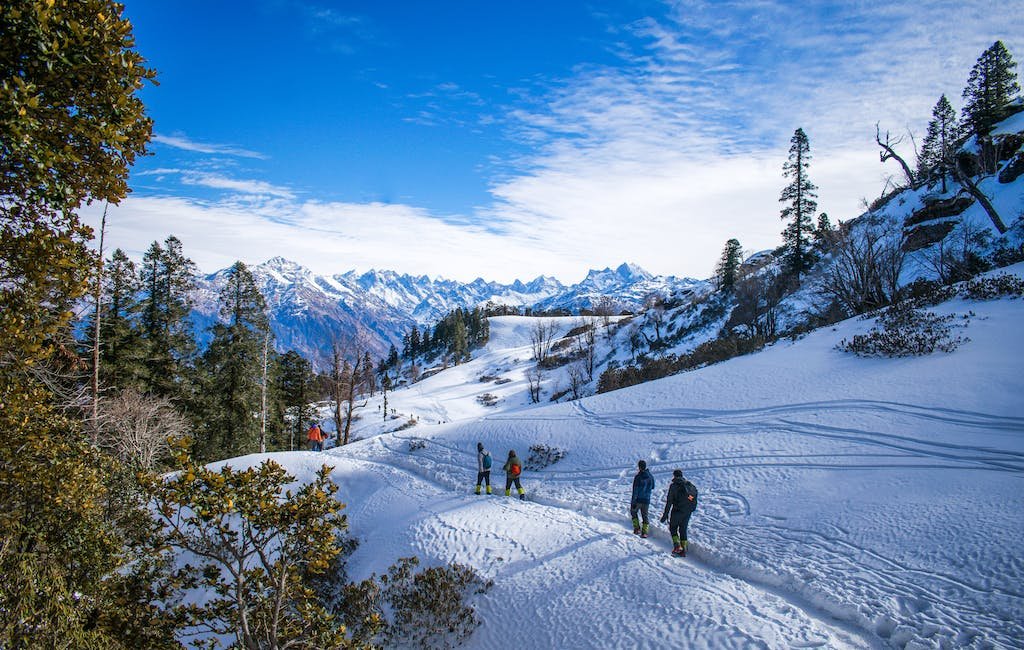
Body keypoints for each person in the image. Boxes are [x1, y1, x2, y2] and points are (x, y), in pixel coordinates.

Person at [660, 469, 698, 556]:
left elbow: (669, 501)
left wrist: (665, 515)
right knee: (683, 529)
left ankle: (677, 546)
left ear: (674, 476)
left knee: (673, 528)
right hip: (687, 511)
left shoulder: (673, 486)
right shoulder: (689, 485)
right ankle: (683, 549)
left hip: (677, 511)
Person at [630, 460, 655, 538]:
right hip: (647, 499)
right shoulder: (650, 476)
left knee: (633, 512)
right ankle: (645, 532)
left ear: (639, 467)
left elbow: (635, 490)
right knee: (645, 515)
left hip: (638, 499)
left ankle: (637, 528)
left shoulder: (638, 477)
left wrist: (633, 501)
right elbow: (653, 487)